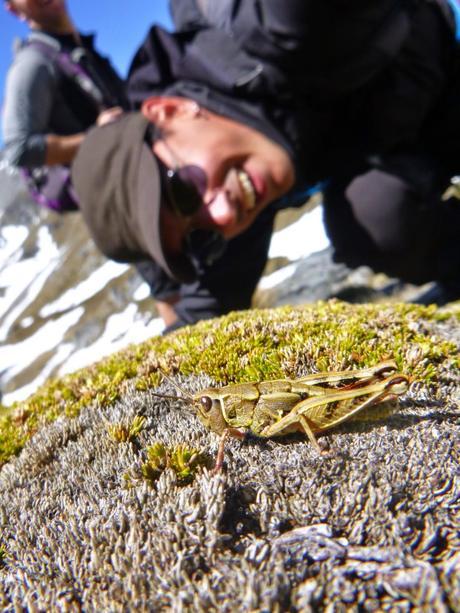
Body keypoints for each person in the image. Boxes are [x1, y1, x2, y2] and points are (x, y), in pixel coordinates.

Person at [72, 0, 460, 333]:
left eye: (182, 190)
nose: (222, 216)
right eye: (198, 237)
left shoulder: (287, 18)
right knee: (375, 218)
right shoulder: (227, 198)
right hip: (405, 138)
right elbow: (206, 310)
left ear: (169, 111)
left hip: (442, 60)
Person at [1, 0, 126, 177]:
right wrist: (95, 138)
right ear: (14, 10)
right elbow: (18, 149)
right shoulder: (32, 63)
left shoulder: (80, 47)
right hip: (102, 189)